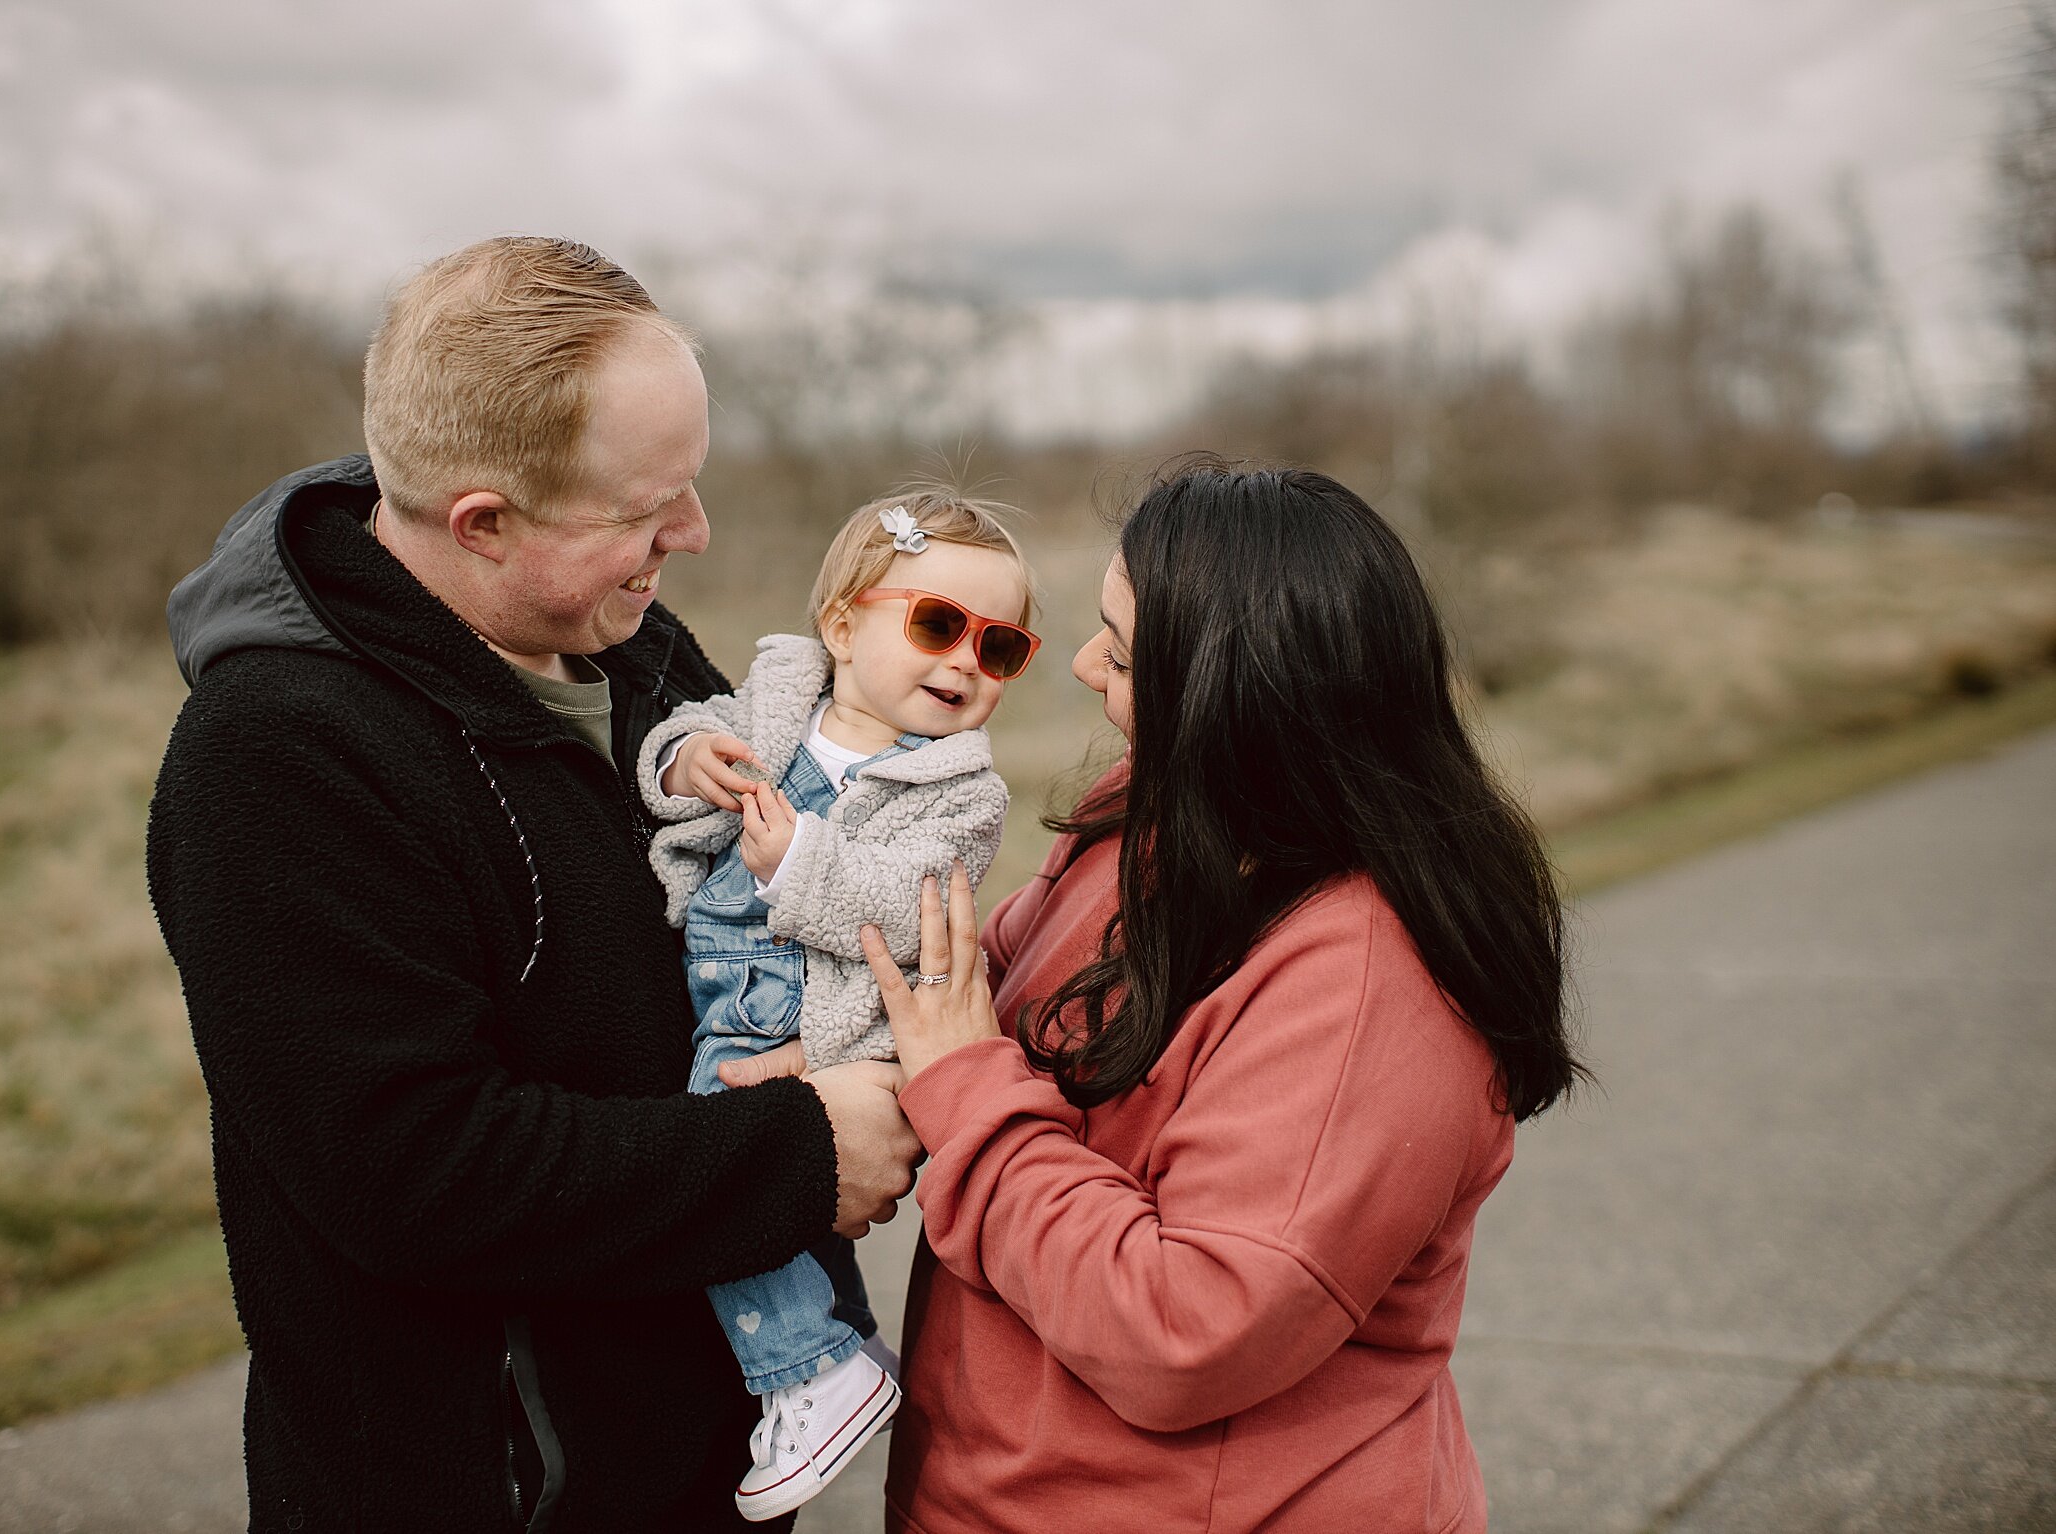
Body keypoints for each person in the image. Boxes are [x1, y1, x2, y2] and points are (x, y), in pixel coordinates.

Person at [145, 236, 921, 1533]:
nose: (694, 533)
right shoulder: (276, 758)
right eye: (644, 509)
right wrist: (797, 1155)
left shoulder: (635, 653)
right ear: (483, 521)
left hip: (702, 1483)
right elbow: (416, 1172)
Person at [861, 461, 1587, 1532]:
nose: (1080, 663)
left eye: (1123, 643)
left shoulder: (1367, 982)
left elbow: (1189, 1331)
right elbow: (962, 1001)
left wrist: (964, 1094)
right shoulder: (1146, 817)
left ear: (1236, 686)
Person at [636, 490, 1039, 1520]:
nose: (963, 664)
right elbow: (685, 725)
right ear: (843, 623)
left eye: (998, 650)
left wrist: (803, 861)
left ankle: (809, 1370)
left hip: (813, 1018)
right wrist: (681, 760)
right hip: (727, 984)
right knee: (788, 1211)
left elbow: (917, 905)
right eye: (938, 626)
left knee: (722, 1170)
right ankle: (841, 1337)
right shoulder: (778, 704)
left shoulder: (957, 790)